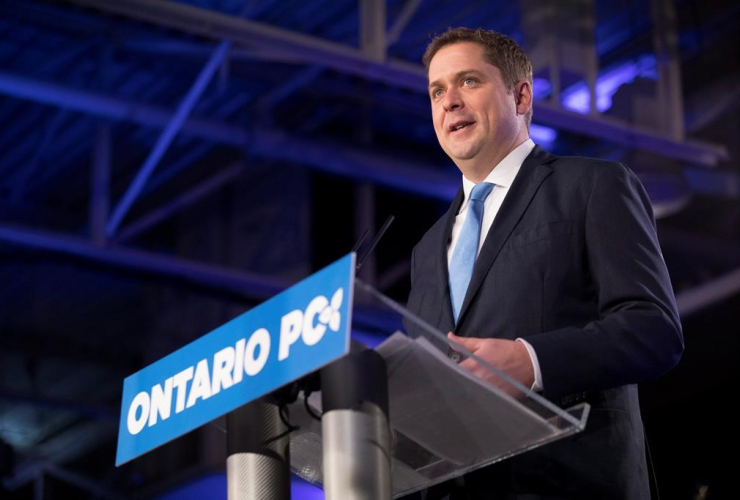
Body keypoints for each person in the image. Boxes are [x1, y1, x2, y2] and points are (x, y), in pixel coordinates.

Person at [404, 27, 684, 500]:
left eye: (468, 81)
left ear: (521, 95)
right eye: (437, 90)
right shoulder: (426, 249)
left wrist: (531, 362)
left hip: (571, 484)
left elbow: (653, 330)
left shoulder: (593, 186)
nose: (448, 101)